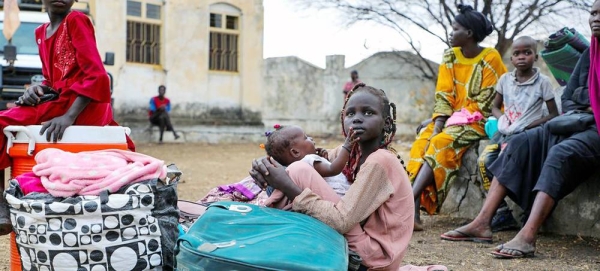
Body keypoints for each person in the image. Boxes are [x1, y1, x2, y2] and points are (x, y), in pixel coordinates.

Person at [441, 1, 600, 259]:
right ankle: (483, 222)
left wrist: (590, 110)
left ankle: (527, 235)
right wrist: (586, 108)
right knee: (520, 141)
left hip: (594, 131)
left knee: (561, 153)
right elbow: (569, 97)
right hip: (577, 121)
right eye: (592, 13)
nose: (595, 18)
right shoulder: (589, 55)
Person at [0, 0, 135, 235]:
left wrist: (68, 117)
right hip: (60, 98)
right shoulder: (40, 33)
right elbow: (51, 80)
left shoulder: (76, 21)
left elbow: (96, 75)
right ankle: (4, 201)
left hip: (81, 103)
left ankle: (2, 205)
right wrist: (35, 90)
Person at [251, 83, 414, 270]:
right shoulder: (352, 153)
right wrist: (265, 166)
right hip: (357, 241)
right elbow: (303, 157)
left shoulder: (380, 160)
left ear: (386, 123)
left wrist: (288, 187)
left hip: (373, 257)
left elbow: (341, 221)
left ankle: (274, 226)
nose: (357, 119)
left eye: (368, 113)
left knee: (298, 171)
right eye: (350, 114)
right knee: (291, 169)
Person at [408, 4, 507, 231]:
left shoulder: (489, 57)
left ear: (469, 34)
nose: (451, 34)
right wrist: (437, 122)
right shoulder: (450, 57)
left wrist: (444, 125)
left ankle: (408, 201)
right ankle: (412, 210)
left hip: (479, 120)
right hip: (453, 119)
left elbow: (485, 104)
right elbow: (444, 94)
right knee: (423, 140)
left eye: (455, 29)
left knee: (441, 141)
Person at [478, 36, 559, 232]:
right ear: (511, 58)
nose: (521, 57)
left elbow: (554, 114)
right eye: (517, 53)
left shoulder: (543, 82)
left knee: (512, 167)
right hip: (504, 132)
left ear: (536, 57)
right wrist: (504, 119)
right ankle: (502, 213)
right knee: (484, 162)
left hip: (526, 136)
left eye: (527, 53)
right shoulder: (505, 80)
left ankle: (530, 211)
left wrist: (530, 126)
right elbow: (494, 108)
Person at [263, 125, 358, 208]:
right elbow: (333, 170)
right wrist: (347, 147)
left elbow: (325, 178)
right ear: (295, 152)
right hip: (340, 198)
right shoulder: (309, 160)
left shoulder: (298, 169)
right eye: (306, 137)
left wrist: (325, 160)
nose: (311, 138)